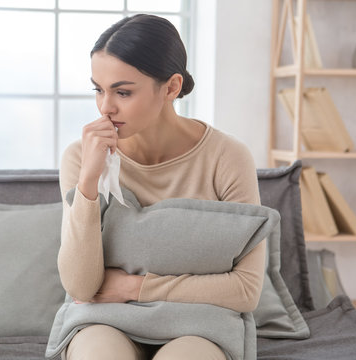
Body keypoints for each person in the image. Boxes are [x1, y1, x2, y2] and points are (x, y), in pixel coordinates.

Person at [57, 14, 266, 360]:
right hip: (104, 322)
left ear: (170, 87)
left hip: (199, 326)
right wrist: (89, 182)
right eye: (98, 89)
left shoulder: (227, 157)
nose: (105, 107)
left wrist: (134, 287)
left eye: (122, 92)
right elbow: (81, 286)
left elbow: (246, 290)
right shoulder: (82, 157)